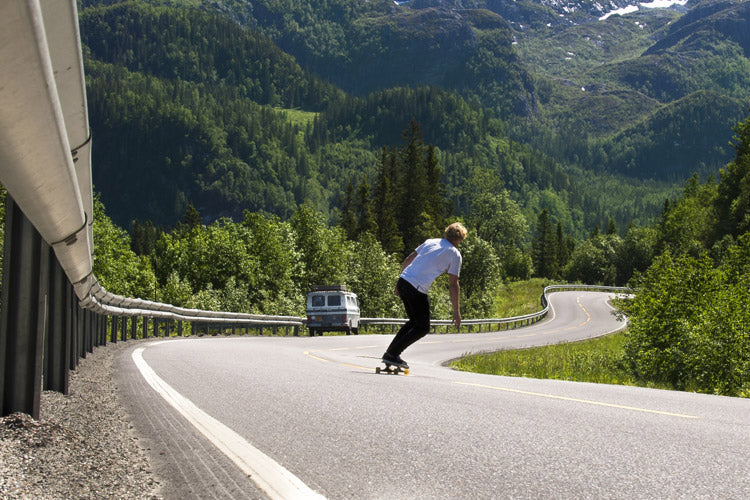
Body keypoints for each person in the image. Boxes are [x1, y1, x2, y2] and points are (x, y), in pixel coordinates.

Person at [382, 222, 467, 368]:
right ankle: (392, 354)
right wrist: (456, 311)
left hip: (404, 281)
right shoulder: (455, 254)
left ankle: (391, 353)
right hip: (416, 287)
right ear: (459, 239)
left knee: (413, 322)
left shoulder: (431, 242)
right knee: (422, 327)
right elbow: (453, 284)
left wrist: (399, 282)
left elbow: (409, 258)